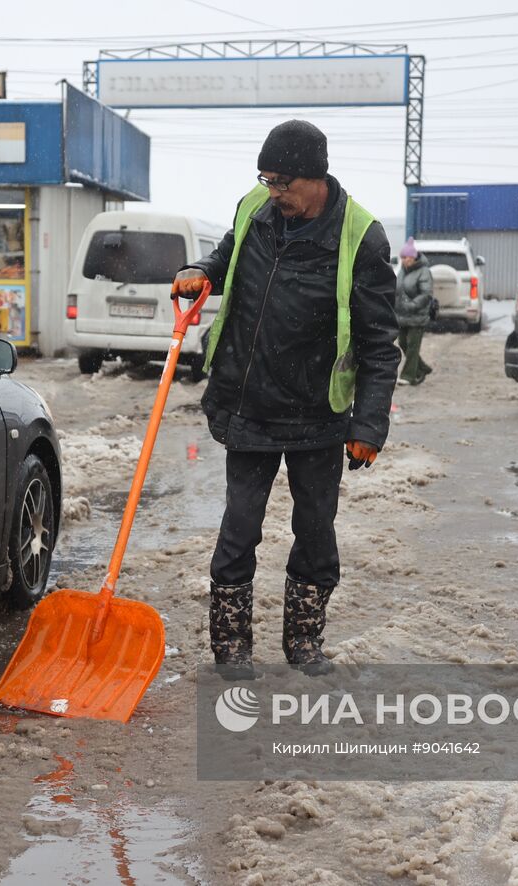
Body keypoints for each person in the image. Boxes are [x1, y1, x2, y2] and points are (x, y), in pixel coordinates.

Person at [171, 120, 398, 678]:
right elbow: (228, 257)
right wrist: (201, 271)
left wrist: (368, 428)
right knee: (239, 528)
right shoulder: (255, 207)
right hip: (248, 402)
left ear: (315, 178)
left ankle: (303, 641)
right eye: (266, 180)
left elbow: (379, 344)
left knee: (316, 530)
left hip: (318, 414)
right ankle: (230, 648)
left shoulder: (360, 237)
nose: (274, 192)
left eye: (282, 182)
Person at [393, 238, 436, 385]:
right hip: (402, 315)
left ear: (413, 256)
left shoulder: (424, 272)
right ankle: (422, 368)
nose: (404, 261)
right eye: (402, 258)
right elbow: (397, 290)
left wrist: (412, 305)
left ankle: (408, 376)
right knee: (403, 343)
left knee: (412, 346)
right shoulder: (402, 271)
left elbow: (426, 293)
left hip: (417, 316)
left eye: (406, 257)